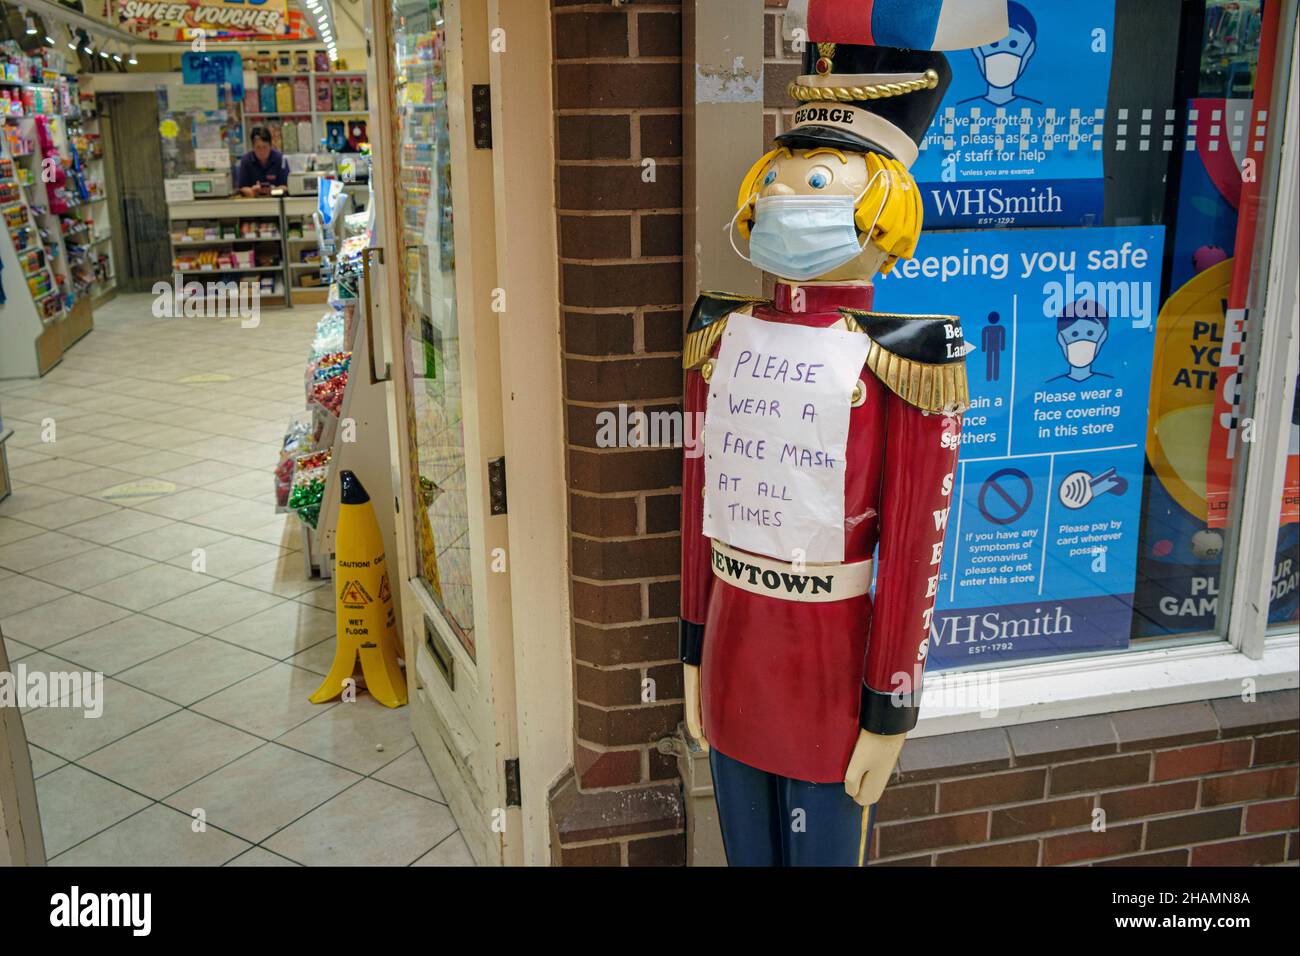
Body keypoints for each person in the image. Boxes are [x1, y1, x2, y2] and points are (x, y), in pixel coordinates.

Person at [236, 127, 289, 197]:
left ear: (270, 146)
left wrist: (273, 191)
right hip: (253, 203)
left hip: (276, 201)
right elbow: (242, 188)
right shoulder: (246, 160)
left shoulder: (281, 159)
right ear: (253, 147)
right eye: (258, 147)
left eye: (265, 147)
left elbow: (286, 187)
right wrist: (253, 191)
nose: (262, 151)